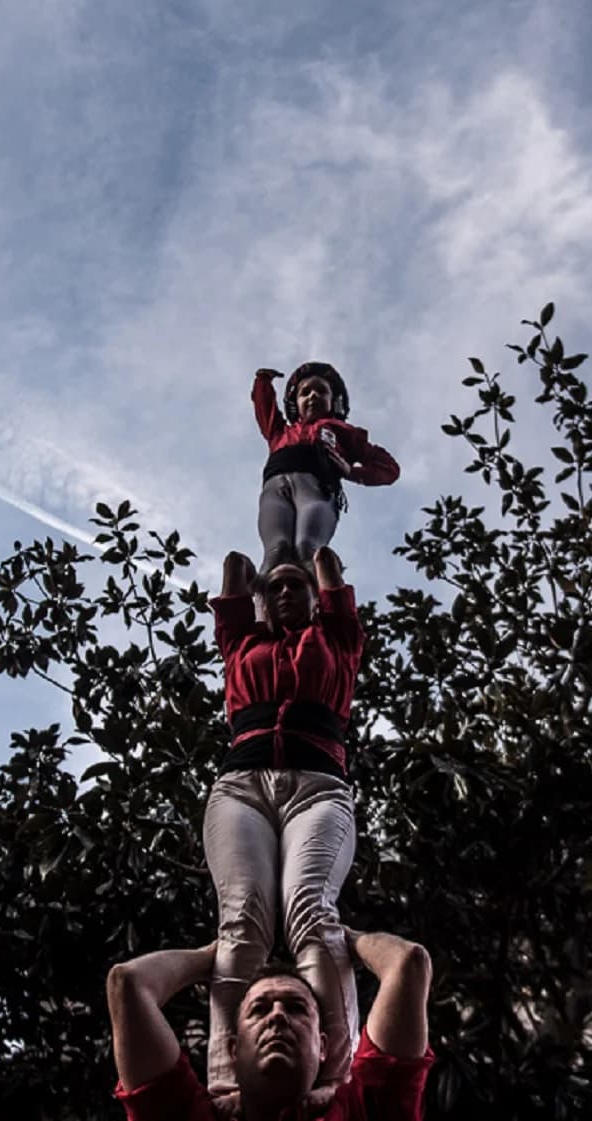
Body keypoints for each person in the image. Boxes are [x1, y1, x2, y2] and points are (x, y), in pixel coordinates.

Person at [204, 545, 362, 1101]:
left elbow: (329, 570)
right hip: (242, 786)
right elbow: (232, 569)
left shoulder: (337, 638)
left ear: (316, 600)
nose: (287, 593)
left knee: (312, 910)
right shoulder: (243, 642)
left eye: (297, 587)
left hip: (317, 786)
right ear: (262, 601)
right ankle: (227, 1082)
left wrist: (305, 554)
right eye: (277, 588)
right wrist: (259, 578)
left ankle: (336, 1081)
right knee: (242, 920)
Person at [107, 929, 434, 1120]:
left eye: (295, 1008)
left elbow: (409, 963)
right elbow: (127, 984)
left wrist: (336, 934)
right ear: (232, 1048)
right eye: (259, 1009)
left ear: (323, 1046)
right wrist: (211, 956)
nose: (277, 1016)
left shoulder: (362, 1110)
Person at [253, 363, 400, 573]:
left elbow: (389, 468)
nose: (313, 396)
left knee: (308, 548)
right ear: (295, 403)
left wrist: (351, 472)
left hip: (316, 488)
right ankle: (262, 603)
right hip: (275, 486)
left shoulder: (344, 432)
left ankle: (321, 599)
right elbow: (264, 408)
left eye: (321, 391)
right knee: (276, 551)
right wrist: (263, 381)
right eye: (305, 392)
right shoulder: (279, 432)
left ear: (334, 401)